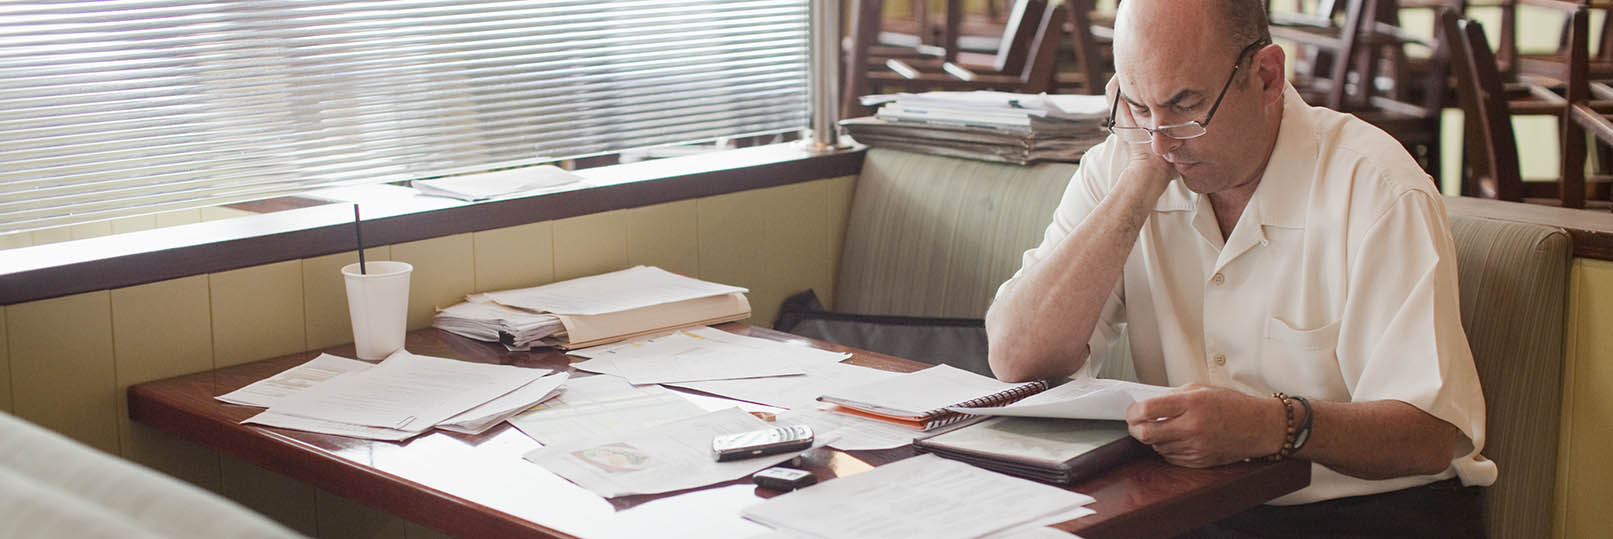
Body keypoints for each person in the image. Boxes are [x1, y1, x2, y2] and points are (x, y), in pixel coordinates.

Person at [983, 0, 1494, 535]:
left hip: (1373, 515)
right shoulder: (1135, 156)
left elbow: (1430, 434)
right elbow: (1018, 357)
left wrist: (1275, 425)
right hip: (1199, 507)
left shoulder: (1375, 187)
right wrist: (1138, 184)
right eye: (1136, 106)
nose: (1162, 140)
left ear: (1268, 76)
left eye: (1186, 105)